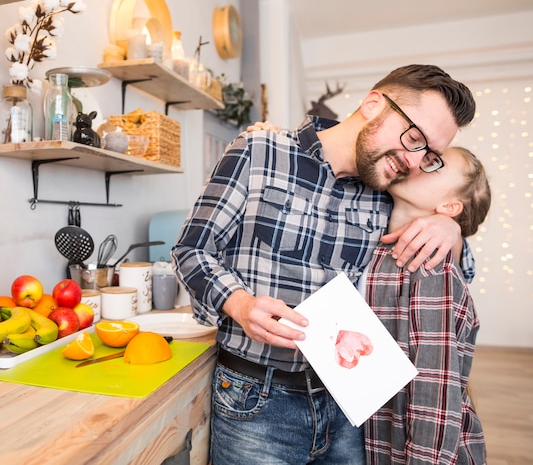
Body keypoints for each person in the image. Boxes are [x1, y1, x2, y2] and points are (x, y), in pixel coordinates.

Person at [171, 64, 476, 464]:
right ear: (372, 105)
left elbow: (459, 275)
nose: (415, 162)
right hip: (256, 400)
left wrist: (450, 228)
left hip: (354, 406)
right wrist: (239, 304)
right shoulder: (259, 151)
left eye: (430, 155)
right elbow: (192, 249)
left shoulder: (389, 190)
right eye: (414, 138)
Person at [362, 146, 490, 464]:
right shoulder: (374, 246)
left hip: (419, 449)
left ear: (449, 206)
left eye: (434, 163)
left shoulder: (430, 264)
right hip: (377, 436)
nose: (416, 161)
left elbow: (434, 392)